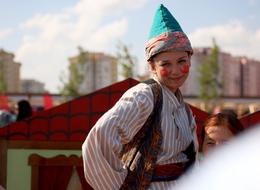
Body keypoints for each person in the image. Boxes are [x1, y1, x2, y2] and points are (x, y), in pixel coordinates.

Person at [82, 4, 199, 190]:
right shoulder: (144, 96)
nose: (175, 71)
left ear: (190, 60)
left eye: (182, 61)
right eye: (165, 64)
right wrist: (117, 186)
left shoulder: (183, 107)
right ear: (151, 66)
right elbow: (98, 141)